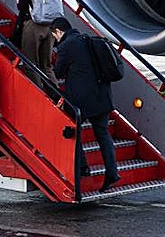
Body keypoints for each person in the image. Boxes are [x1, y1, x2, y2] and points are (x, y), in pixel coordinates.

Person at [51, 16, 120, 191]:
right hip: (102, 95)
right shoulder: (87, 39)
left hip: (81, 101)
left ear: (59, 32)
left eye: (55, 35)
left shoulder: (66, 46)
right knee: (103, 135)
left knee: (73, 132)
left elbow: (59, 72)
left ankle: (83, 167)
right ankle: (112, 172)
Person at [10, 0, 57, 85]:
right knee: (46, 66)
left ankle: (42, 97)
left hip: (33, 24)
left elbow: (23, 5)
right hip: (49, 25)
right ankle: (59, 99)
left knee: (31, 65)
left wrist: (19, 25)